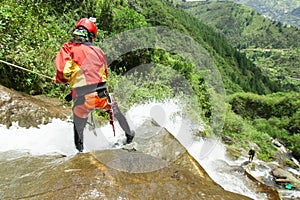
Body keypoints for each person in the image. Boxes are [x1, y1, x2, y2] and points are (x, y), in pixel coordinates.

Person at [54, 17, 135, 152]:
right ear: (91, 37)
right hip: (101, 95)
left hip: (82, 99)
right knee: (114, 109)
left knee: (78, 125)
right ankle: (129, 135)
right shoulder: (99, 51)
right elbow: (104, 75)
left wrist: (60, 80)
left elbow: (62, 71)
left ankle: (80, 151)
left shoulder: (68, 48)